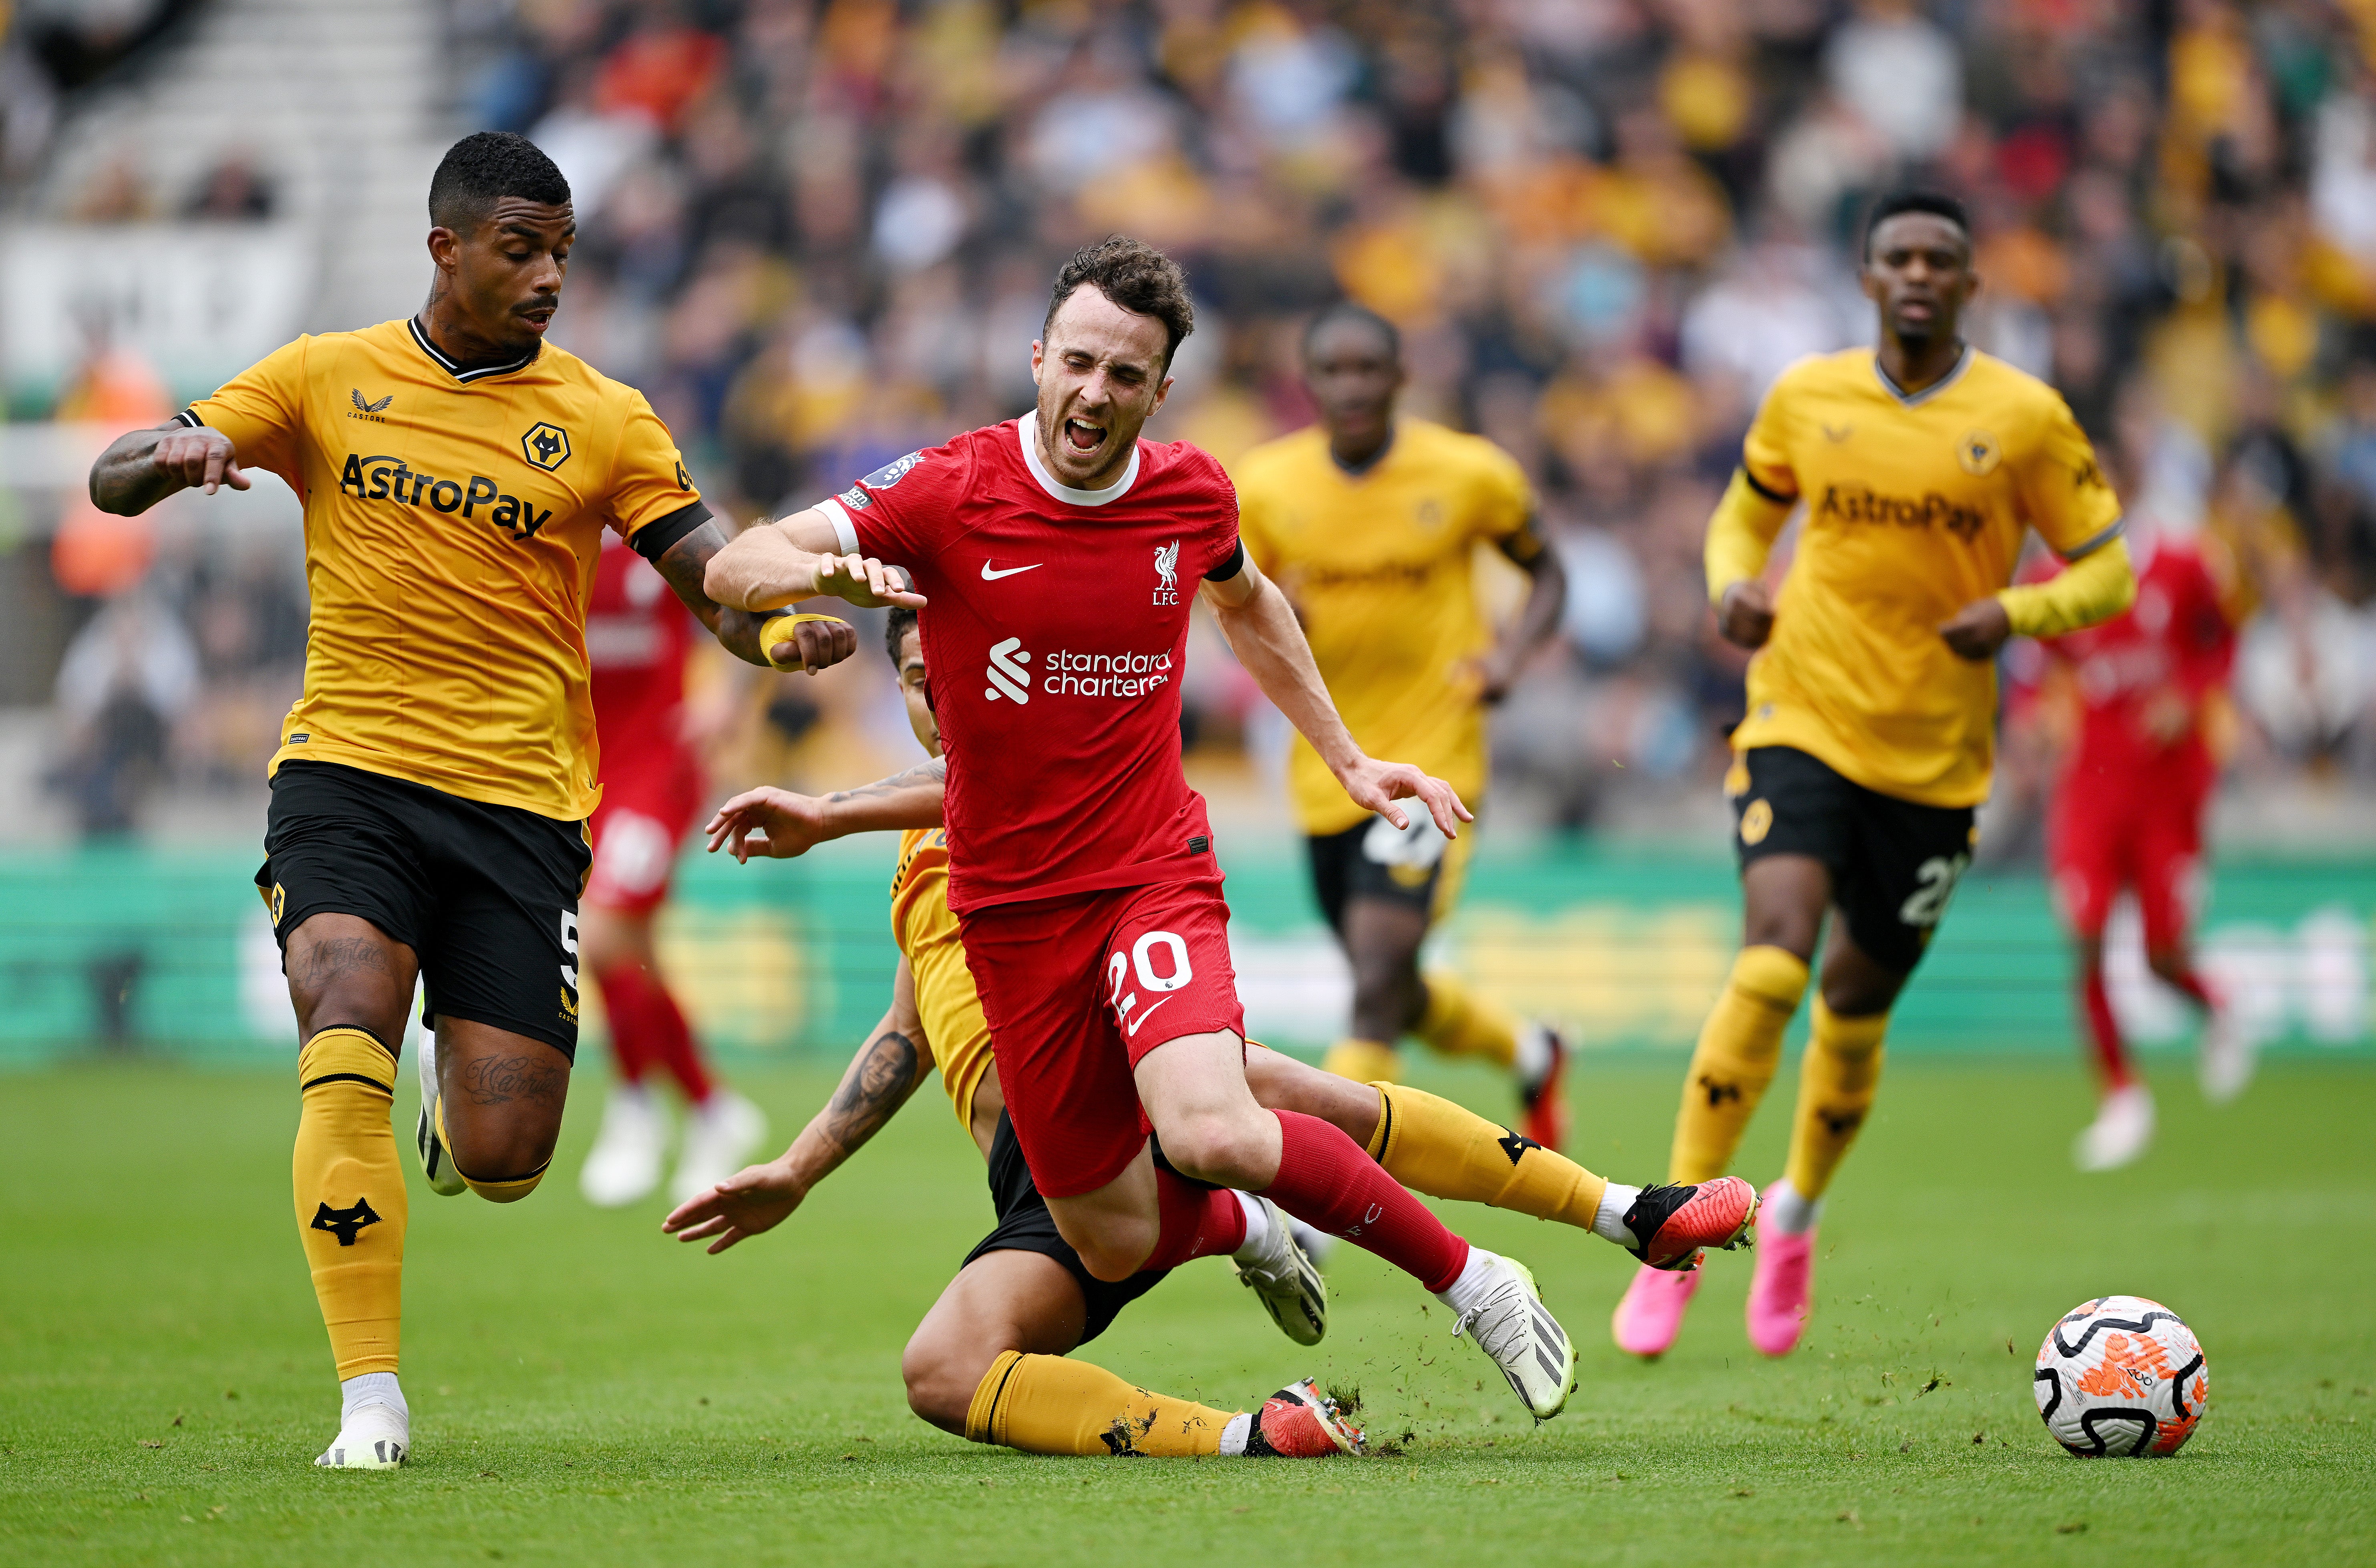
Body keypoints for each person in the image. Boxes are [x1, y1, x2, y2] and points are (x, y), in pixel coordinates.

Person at [84, 131, 915, 1470]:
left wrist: (774, 636)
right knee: (343, 992)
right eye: (522, 250)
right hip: (346, 769)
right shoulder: (322, 374)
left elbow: (702, 572)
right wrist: (170, 455)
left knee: (509, 1151)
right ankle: (370, 1398)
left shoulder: (603, 414)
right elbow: (116, 473)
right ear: (446, 247)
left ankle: (450, 1087)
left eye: (563, 256)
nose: (547, 279)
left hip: (522, 805)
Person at [704, 237, 1577, 1421]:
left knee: (1211, 1122)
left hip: (1146, 871)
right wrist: (822, 576)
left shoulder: (1189, 490)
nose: (1093, 395)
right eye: (1077, 363)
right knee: (1111, 1238)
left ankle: (1476, 1280)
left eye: (1125, 375)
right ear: (1037, 358)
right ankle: (1250, 1233)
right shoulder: (947, 488)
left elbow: (1251, 602)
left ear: (1159, 391)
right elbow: (744, 556)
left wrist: (1348, 757)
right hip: (1010, 911)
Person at [664, 606, 1756, 1457]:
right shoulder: (920, 857)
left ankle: (1608, 1217)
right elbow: (907, 1030)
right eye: (913, 680)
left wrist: (830, 809)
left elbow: (981, 780)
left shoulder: (1032, 781)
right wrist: (797, 1171)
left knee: (1252, 1094)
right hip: (1047, 1178)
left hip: (1119, 1096)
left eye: (952, 672)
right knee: (942, 1372)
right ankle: (1256, 1420)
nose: (937, 700)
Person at [1609, 191, 2137, 1361]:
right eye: (1894, 255)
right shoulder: (1807, 396)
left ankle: (1792, 1209)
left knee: (1851, 1001)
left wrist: (2014, 610)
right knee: (1771, 952)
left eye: (1937, 257)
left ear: (1966, 284)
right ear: (1864, 277)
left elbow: (2107, 573)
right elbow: (1736, 527)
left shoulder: (2024, 417)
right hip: (1799, 712)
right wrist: (1729, 590)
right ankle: (1676, 1222)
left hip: (1936, 760)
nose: (1914, 272)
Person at [1231, 303, 1573, 1149]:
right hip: (1329, 767)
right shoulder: (1266, 490)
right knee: (1388, 980)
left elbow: (1548, 572)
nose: (1351, 387)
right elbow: (1233, 607)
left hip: (1434, 757)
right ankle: (1530, 1048)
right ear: (1306, 383)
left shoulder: (1469, 474)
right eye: (1333, 371)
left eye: (1367, 369)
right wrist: (1284, 617)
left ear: (1401, 378)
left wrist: (1510, 659)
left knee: (1377, 972)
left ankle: (1318, 1199)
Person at [2034, 506, 2245, 1169]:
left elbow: (2224, 640)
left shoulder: (2183, 566)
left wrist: (2188, 693)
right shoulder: (2052, 580)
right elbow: (2042, 665)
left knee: (2160, 952)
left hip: (2165, 794)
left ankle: (2216, 1006)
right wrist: (2032, 720)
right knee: (2086, 937)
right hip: (2090, 793)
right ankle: (2122, 1097)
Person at [577, 531, 768, 1208]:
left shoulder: (659, 532)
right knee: (633, 952)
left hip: (657, 773)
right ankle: (712, 1110)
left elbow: (759, 582)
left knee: (600, 938)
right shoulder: (540, 532)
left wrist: (730, 698)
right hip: (580, 775)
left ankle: (636, 1107)